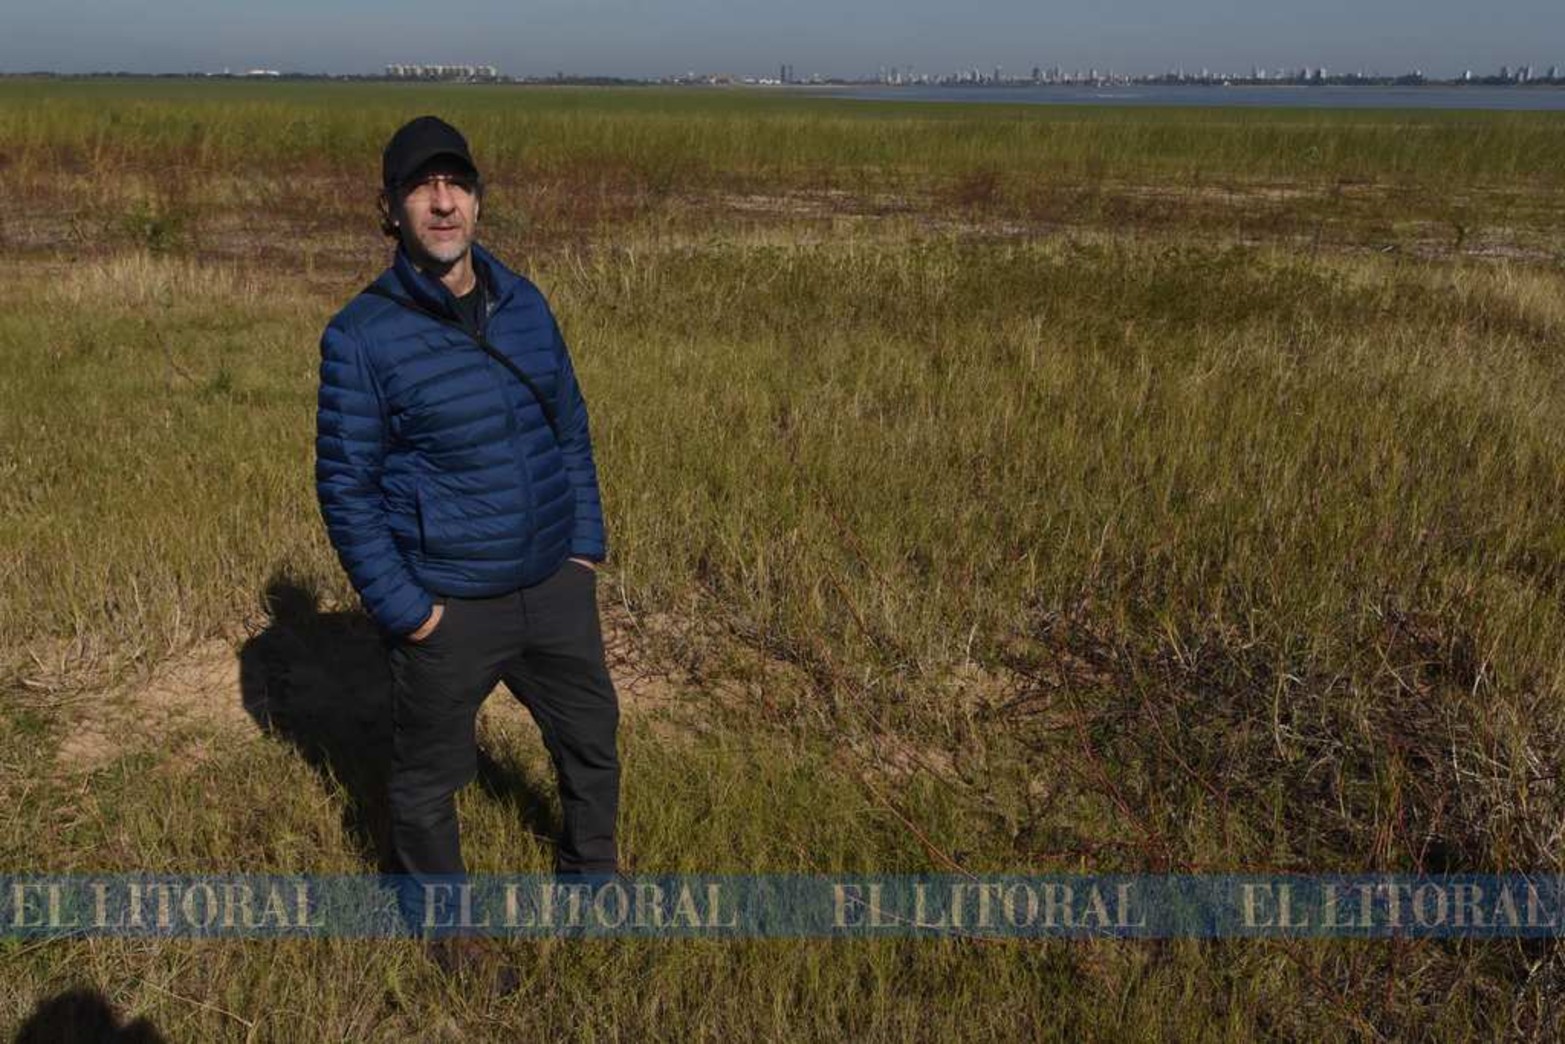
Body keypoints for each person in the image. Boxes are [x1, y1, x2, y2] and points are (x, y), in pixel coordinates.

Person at [314, 116, 620, 981]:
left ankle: (593, 881)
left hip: (553, 583)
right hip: (450, 602)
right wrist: (410, 611)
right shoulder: (361, 336)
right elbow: (346, 487)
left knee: (591, 736)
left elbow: (569, 429)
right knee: (428, 780)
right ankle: (453, 933)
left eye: (456, 184)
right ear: (391, 208)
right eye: (421, 186)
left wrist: (584, 548)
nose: (442, 202)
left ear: (478, 200)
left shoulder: (526, 303)